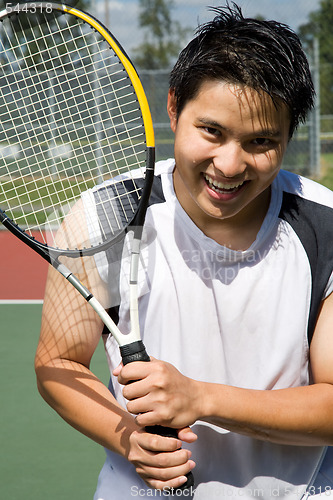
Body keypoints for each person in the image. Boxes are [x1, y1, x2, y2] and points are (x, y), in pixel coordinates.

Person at [35, 3, 333, 499]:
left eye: (261, 141)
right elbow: (58, 362)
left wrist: (201, 398)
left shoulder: (325, 223)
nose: (230, 163)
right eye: (212, 132)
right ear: (174, 108)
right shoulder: (105, 214)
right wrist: (128, 439)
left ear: (288, 137)